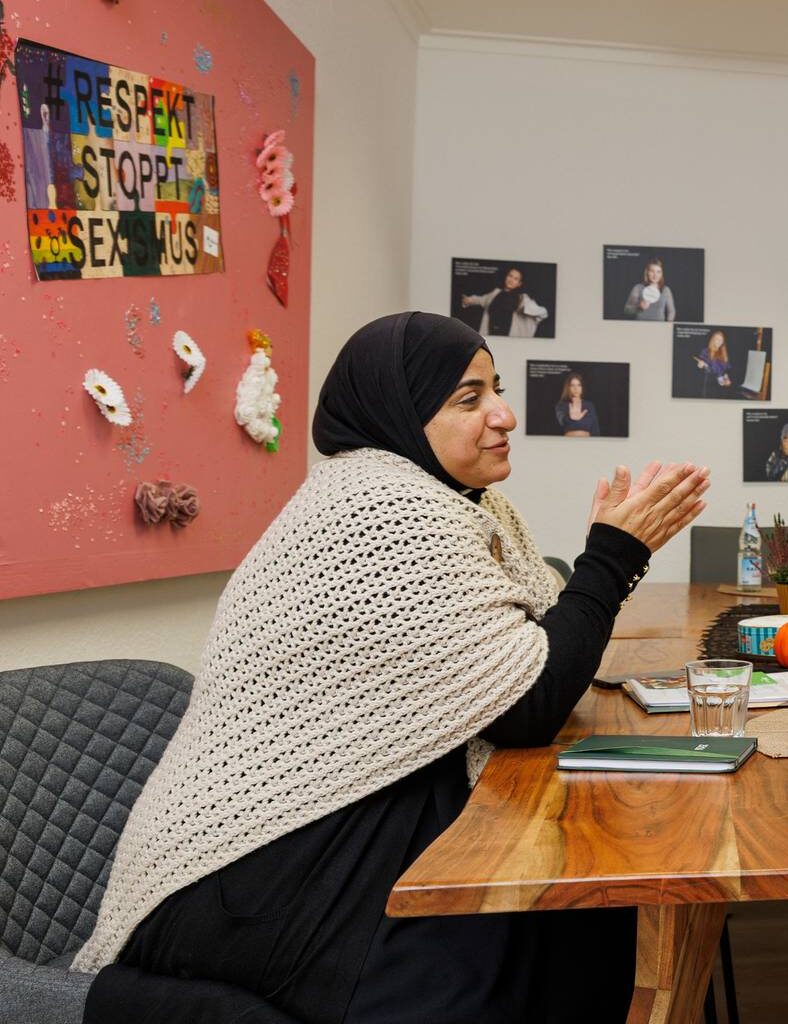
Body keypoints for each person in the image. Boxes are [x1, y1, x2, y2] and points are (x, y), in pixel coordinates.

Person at [76, 312, 710, 1024]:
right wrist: (613, 555)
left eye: (495, 389)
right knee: (545, 919)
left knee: (580, 898)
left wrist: (606, 558)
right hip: (259, 872)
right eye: (468, 400)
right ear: (400, 414)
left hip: (350, 819)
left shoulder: (462, 502)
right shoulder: (380, 506)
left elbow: (533, 647)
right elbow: (532, 702)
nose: (504, 414)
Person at [460, 266, 549, 337]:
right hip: (491, 334)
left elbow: (543, 312)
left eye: (515, 278)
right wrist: (469, 300)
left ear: (519, 283)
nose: (511, 280)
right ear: (506, 277)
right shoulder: (495, 292)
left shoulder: (523, 298)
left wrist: (524, 308)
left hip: (508, 338)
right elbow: (481, 300)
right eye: (510, 276)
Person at [554, 371, 600, 436]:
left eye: (579, 385)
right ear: (568, 388)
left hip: (587, 443)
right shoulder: (561, 405)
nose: (576, 388)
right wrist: (571, 418)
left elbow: (595, 429)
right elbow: (562, 422)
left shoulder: (589, 405)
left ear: (582, 388)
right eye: (572, 385)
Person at [693, 329, 732, 396]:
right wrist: (700, 365)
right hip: (709, 386)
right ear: (713, 340)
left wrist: (727, 380)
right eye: (717, 339)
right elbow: (701, 366)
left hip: (721, 388)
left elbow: (726, 371)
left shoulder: (724, 354)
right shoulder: (706, 351)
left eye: (721, 339)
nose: (719, 341)